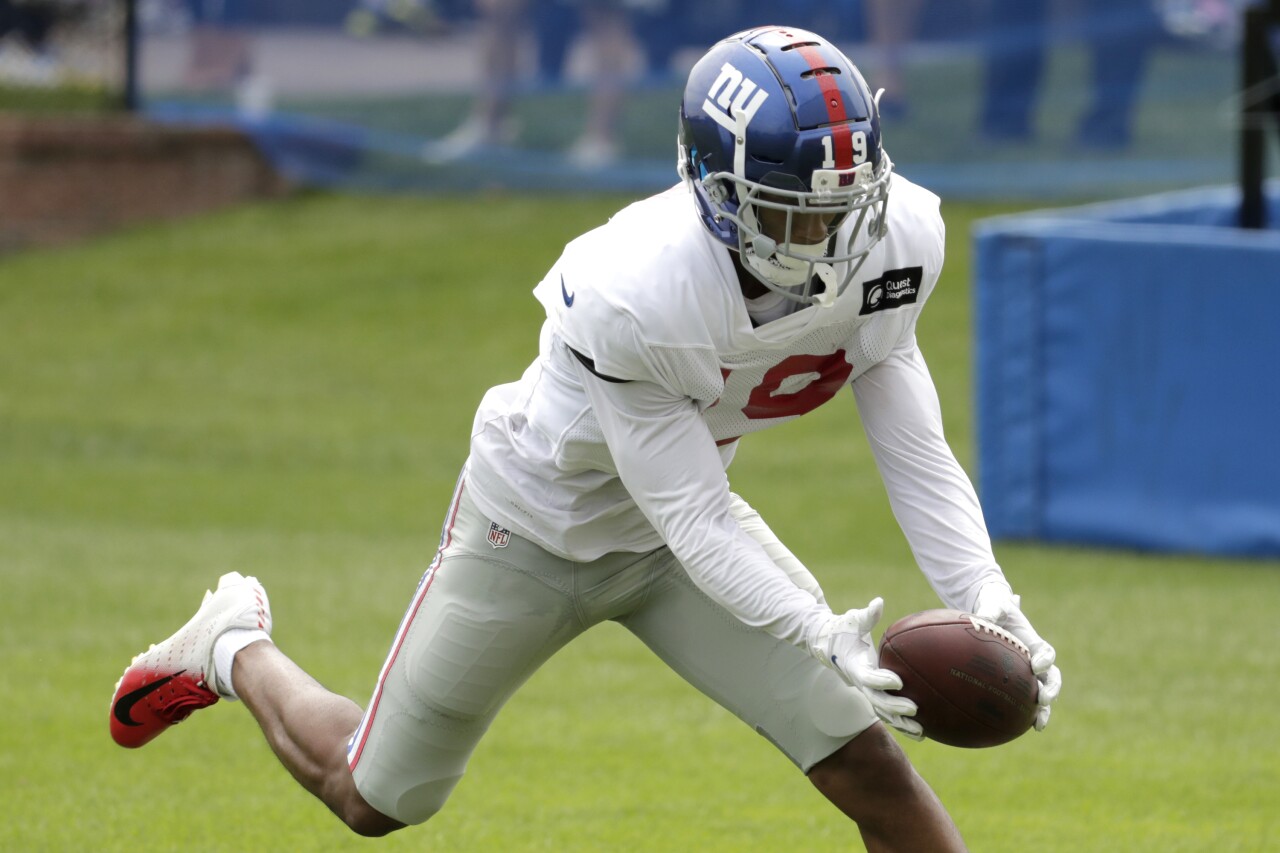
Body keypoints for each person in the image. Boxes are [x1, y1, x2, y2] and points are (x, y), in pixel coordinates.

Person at [109, 25, 1062, 849]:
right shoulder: (634, 286)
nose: (830, 234)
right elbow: (694, 513)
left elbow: (910, 436)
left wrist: (988, 598)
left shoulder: (900, 236)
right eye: (793, 209)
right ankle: (232, 643)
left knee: (867, 764)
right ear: (713, 189)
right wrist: (817, 628)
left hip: (677, 544)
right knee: (378, 797)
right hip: (534, 526)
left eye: (842, 201)